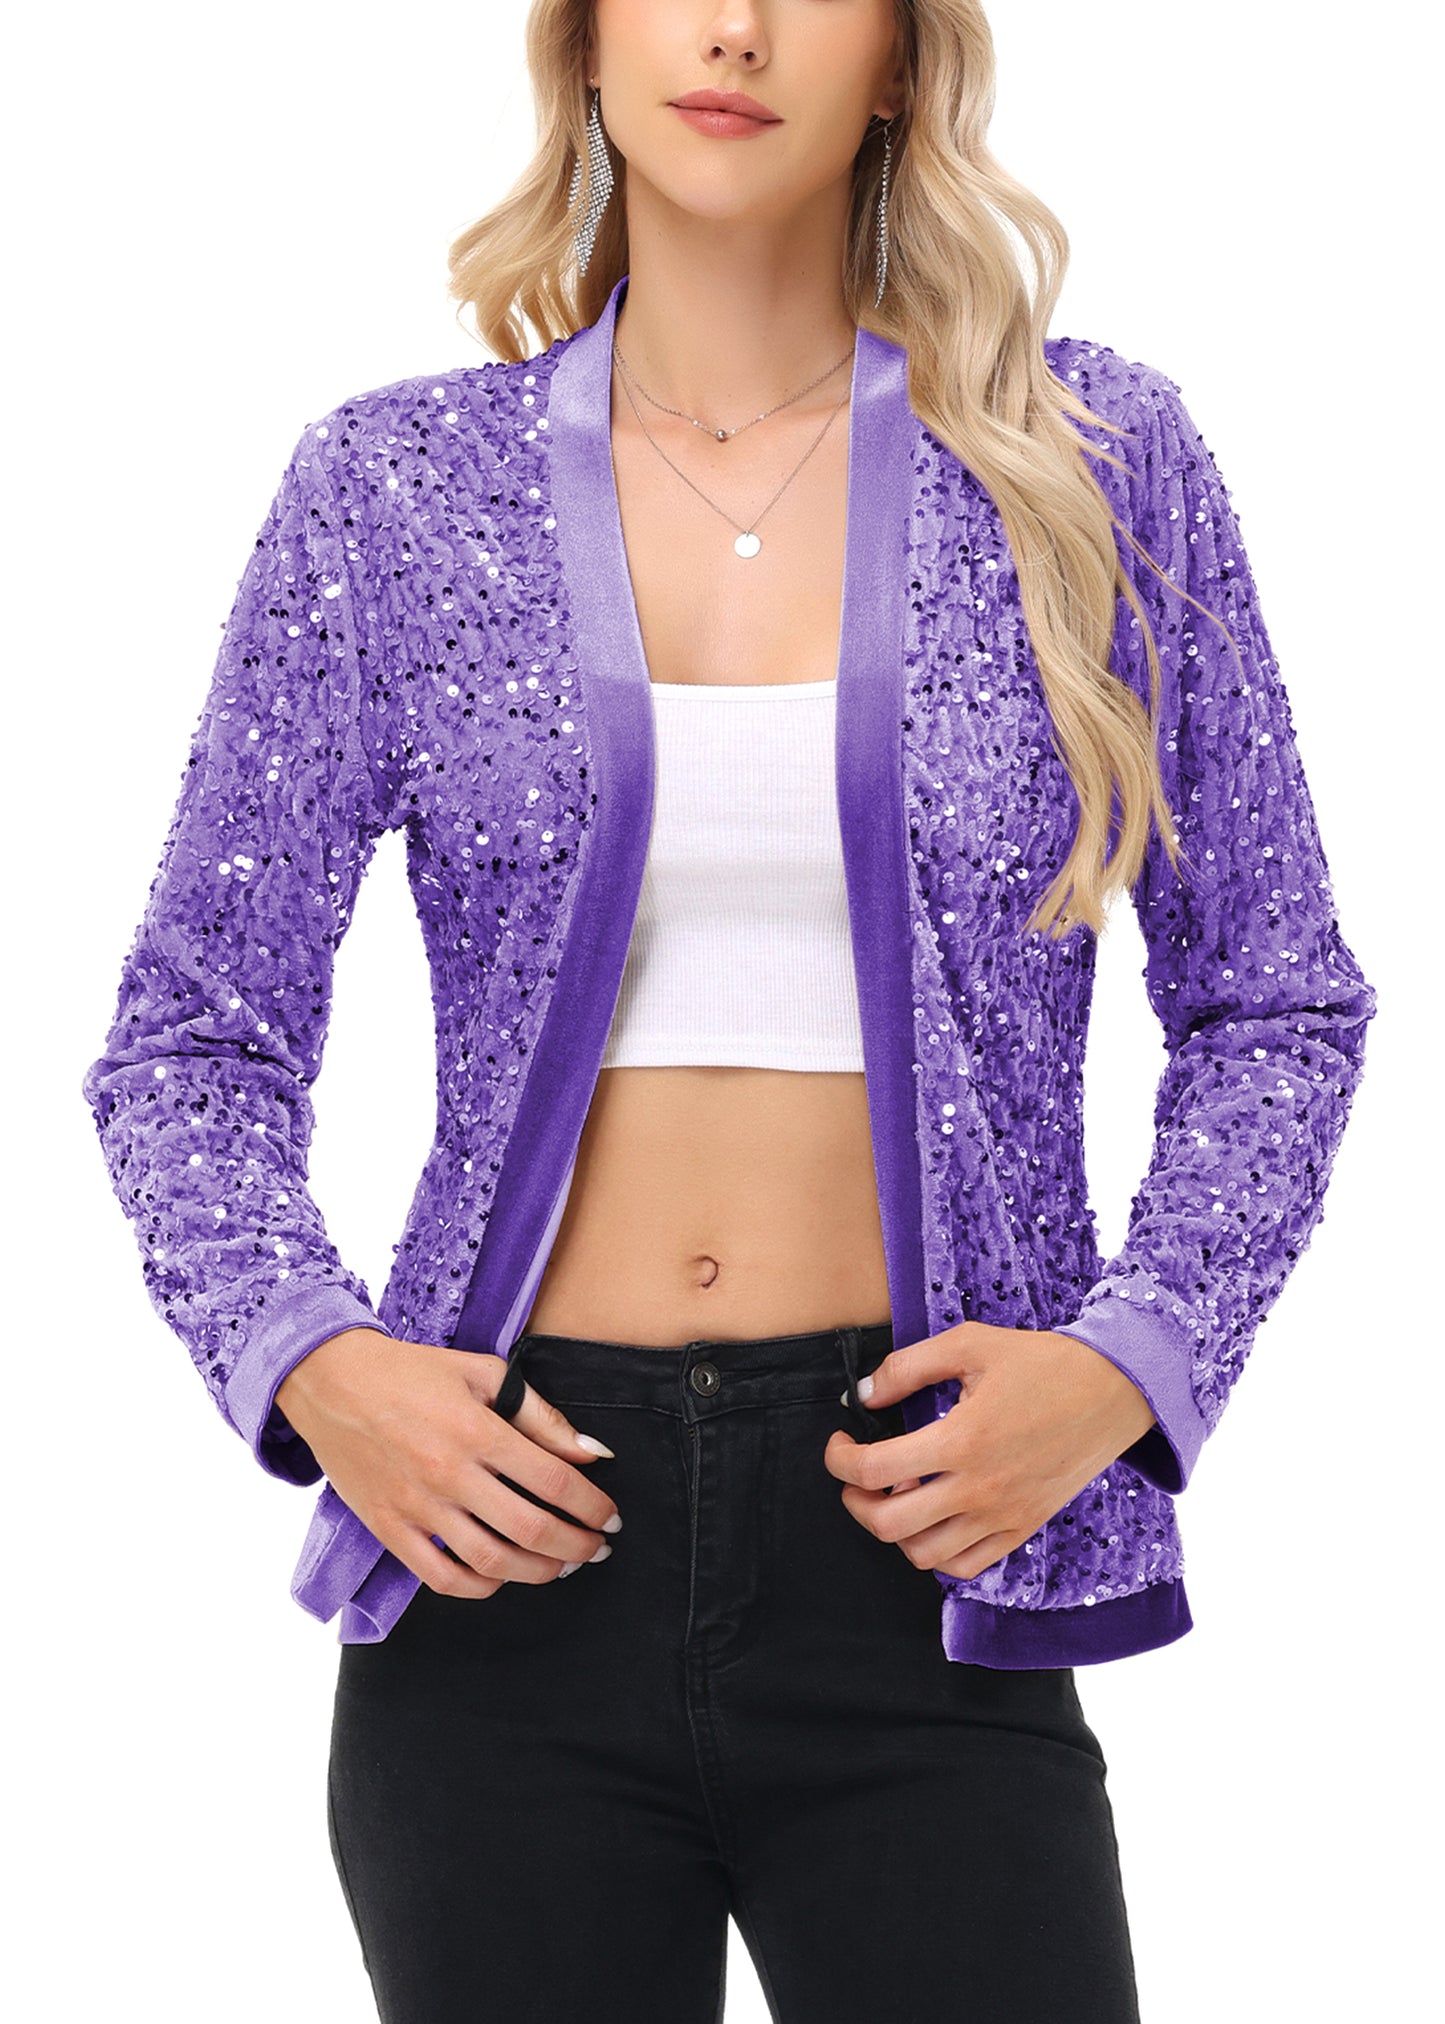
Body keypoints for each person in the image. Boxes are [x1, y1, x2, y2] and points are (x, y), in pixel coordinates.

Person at [79, 2, 1378, 2019]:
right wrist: (317, 1362)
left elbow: (1275, 997)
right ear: (586, 41)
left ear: (903, 58)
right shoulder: (392, 490)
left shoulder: (1091, 459)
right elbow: (189, 1038)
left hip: (925, 1547)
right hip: (507, 1550)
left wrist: (1126, 1362)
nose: (739, 28)